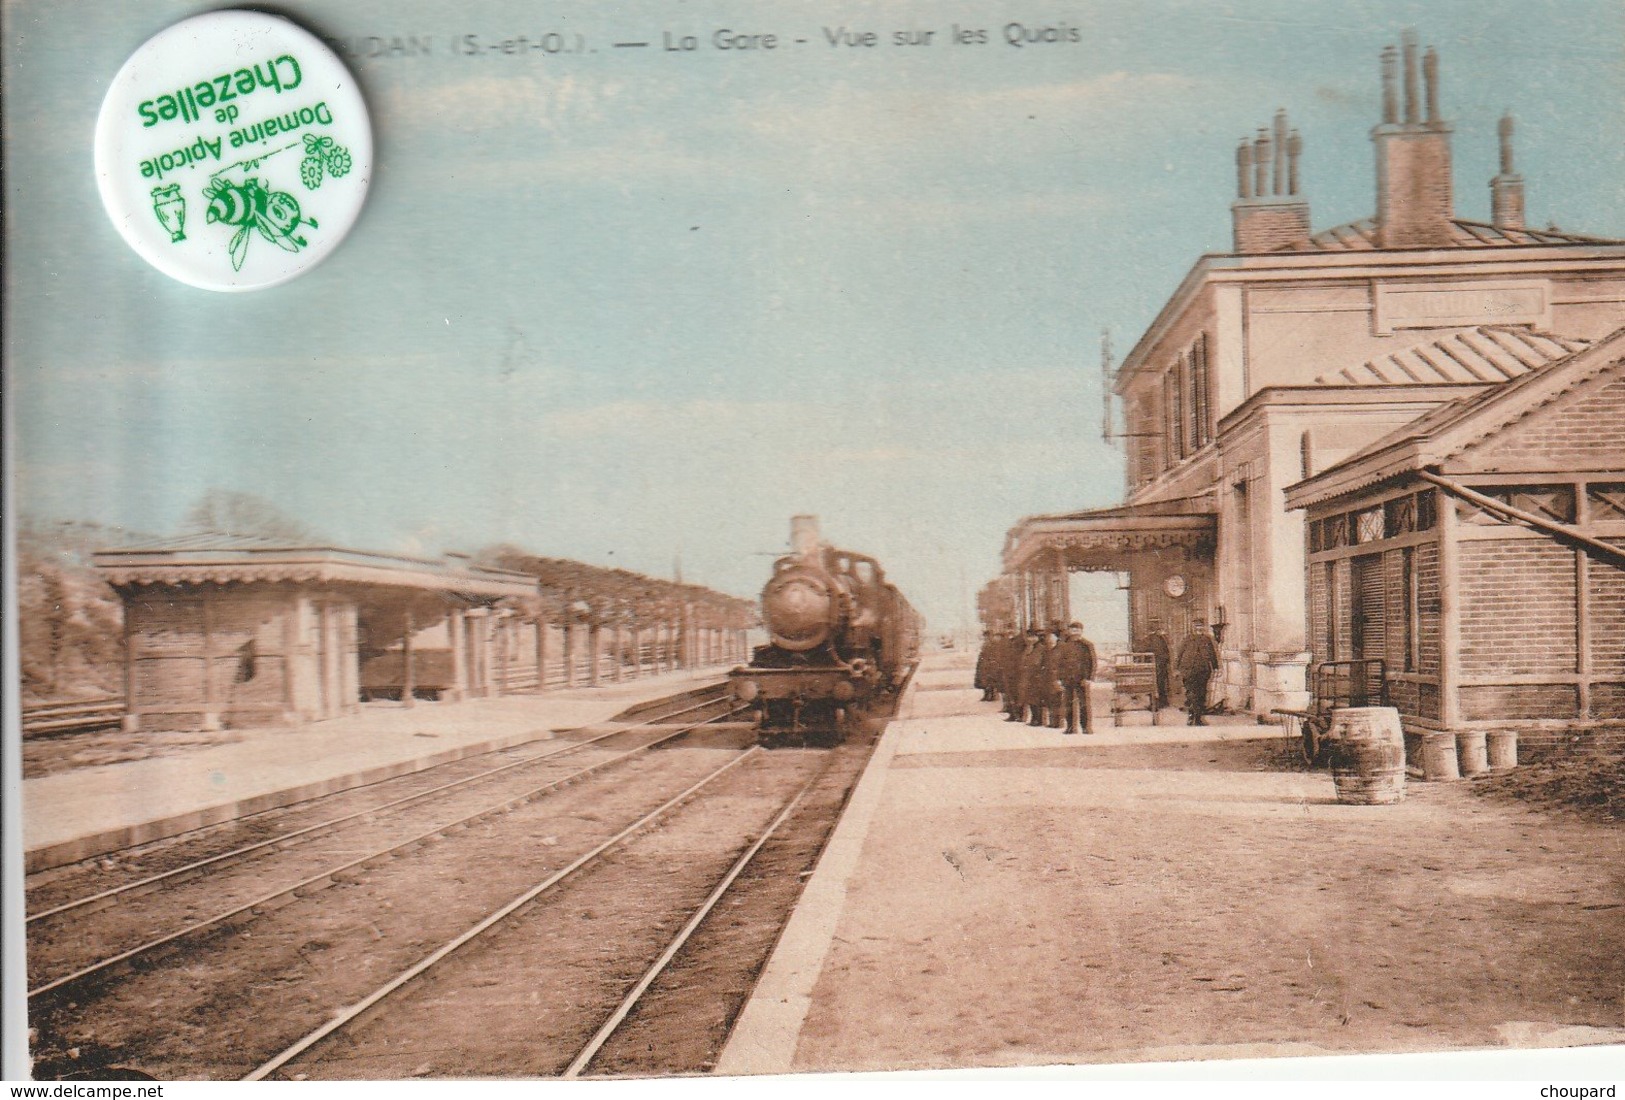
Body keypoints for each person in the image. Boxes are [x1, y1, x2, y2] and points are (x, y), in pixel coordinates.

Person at [1052, 621, 1098, 734]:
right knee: (1067, 704)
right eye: (1073, 630)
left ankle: (1086, 727)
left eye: (1077, 630)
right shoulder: (1064, 645)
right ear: (1069, 631)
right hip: (1067, 678)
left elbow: (1093, 662)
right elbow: (1058, 663)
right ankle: (1070, 727)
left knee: (1083, 704)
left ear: (1081, 631)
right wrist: (1058, 678)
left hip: (1082, 679)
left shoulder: (1087, 645)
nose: (1075, 632)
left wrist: (1089, 678)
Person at [1176, 617, 1221, 726]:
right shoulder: (1187, 639)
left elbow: (1212, 654)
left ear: (1203, 627)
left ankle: (1196, 717)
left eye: (1200, 626)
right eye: (1197, 626)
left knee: (1200, 694)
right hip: (1188, 670)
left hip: (1202, 670)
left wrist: (1216, 668)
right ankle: (1193, 717)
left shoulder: (1207, 639)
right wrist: (1176, 669)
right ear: (1193, 627)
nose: (1199, 628)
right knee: (1191, 693)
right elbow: (1180, 654)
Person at [1005, 630, 1036, 722]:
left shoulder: (1023, 644)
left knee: (1020, 695)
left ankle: (1020, 715)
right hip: (1012, 672)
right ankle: (1014, 714)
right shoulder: (1010, 643)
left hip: (1020, 673)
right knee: (1012, 694)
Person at [1022, 629, 1050, 726]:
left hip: (1038, 677)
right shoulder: (1029, 648)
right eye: (1029, 637)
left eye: (1033, 637)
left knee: (1037, 699)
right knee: (1030, 698)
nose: (1031, 639)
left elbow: (1043, 662)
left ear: (1037, 638)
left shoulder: (1041, 648)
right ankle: (1034, 718)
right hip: (1029, 676)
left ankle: (1038, 720)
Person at [1144, 617, 1172, 713]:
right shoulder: (1161, 638)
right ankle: (1162, 702)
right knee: (1160, 684)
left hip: (1156, 664)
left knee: (1155, 684)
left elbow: (1143, 650)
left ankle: (1156, 703)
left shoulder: (1151, 639)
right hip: (1161, 664)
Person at [974, 631, 997, 701]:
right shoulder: (985, 643)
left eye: (987, 636)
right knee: (984, 681)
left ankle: (992, 695)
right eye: (985, 636)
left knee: (990, 681)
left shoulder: (993, 644)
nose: (986, 638)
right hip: (983, 664)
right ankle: (986, 695)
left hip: (990, 665)